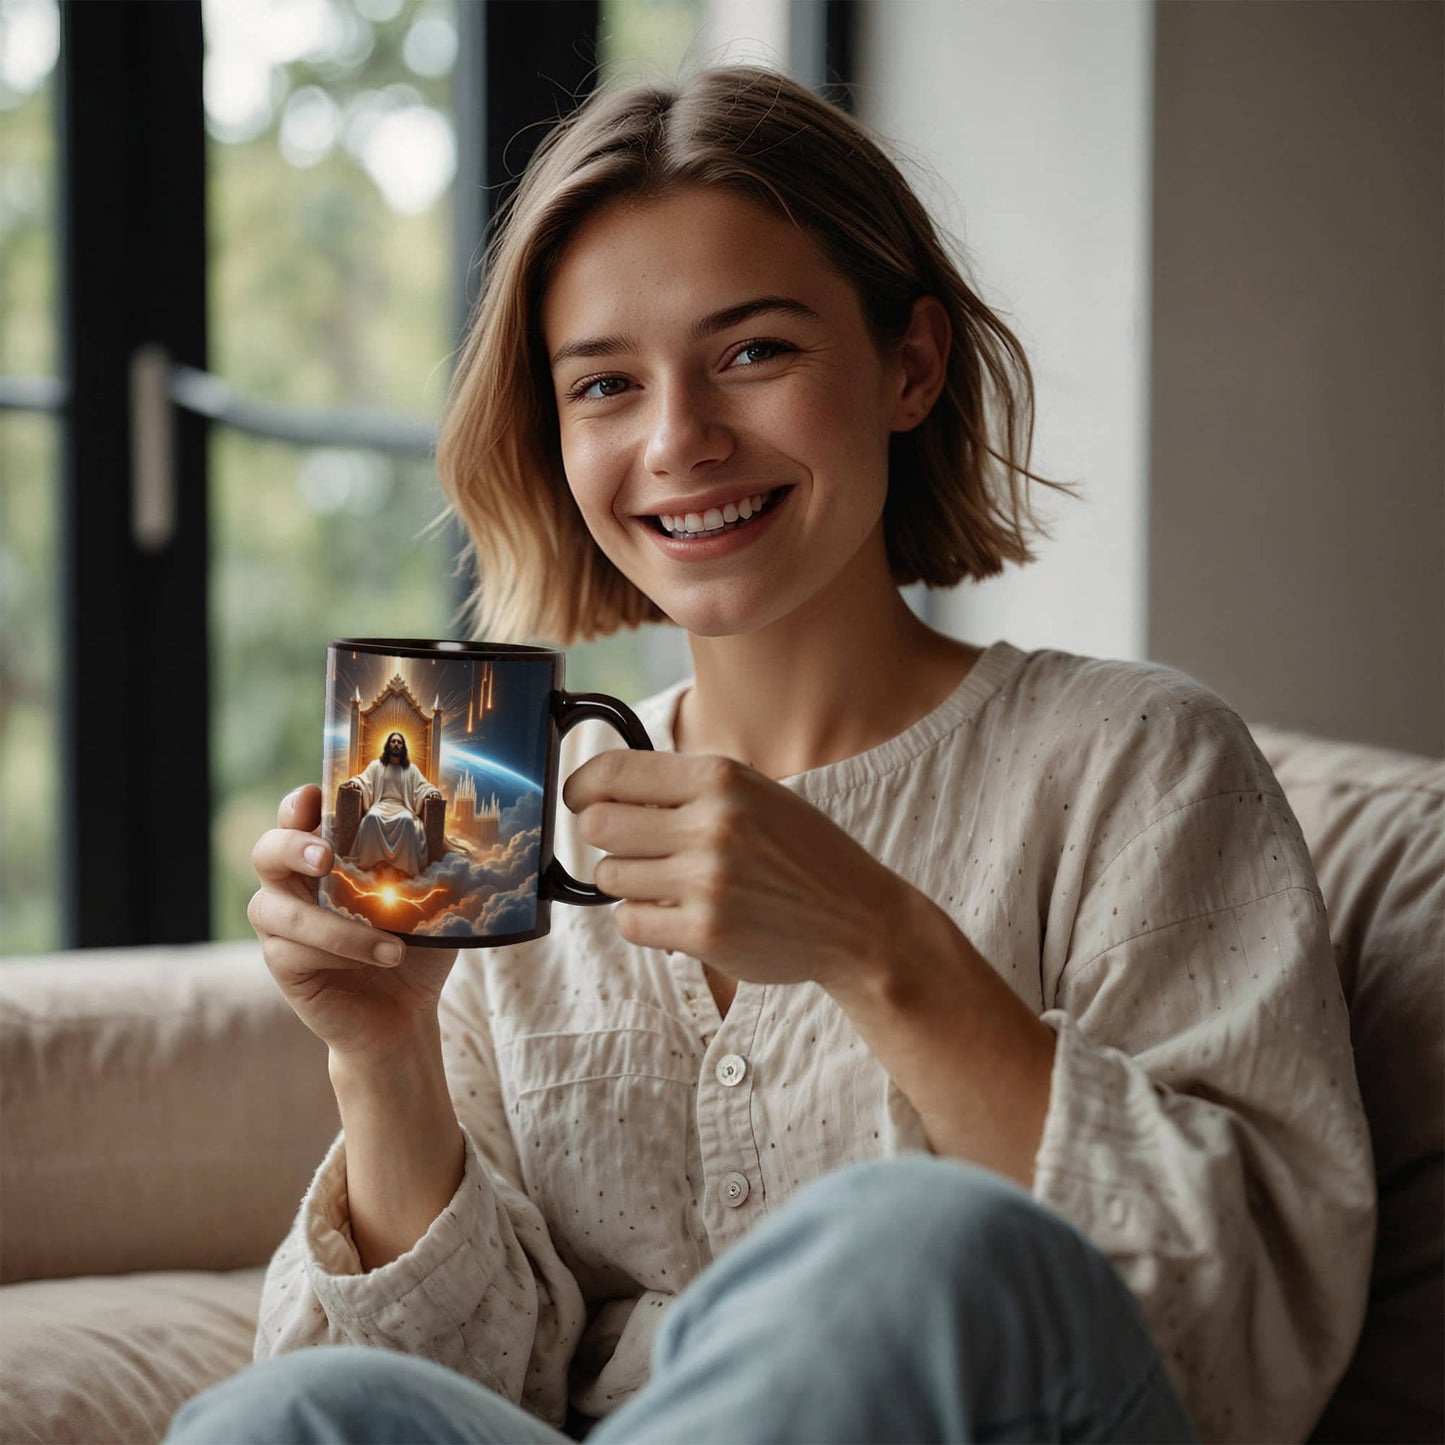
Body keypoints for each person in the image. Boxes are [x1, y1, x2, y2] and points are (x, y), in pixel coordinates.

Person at [168, 66, 1374, 1445]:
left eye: (753, 352)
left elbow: (1252, 1334)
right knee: (309, 1407)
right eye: (606, 384)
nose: (679, 439)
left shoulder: (1136, 765)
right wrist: (384, 1065)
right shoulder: (517, 829)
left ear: (909, 366)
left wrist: (881, 947)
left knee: (922, 1245)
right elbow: (475, 1404)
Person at [339, 731, 444, 877]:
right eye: (393, 741)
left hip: (402, 807)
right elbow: (363, 779)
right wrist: (355, 784)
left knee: (407, 821)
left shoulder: (411, 769)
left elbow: (423, 786)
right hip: (380, 805)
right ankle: (371, 863)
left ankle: (404, 868)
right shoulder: (376, 766)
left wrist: (432, 793)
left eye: (399, 742)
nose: (396, 744)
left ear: (403, 747)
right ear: (388, 744)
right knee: (371, 818)